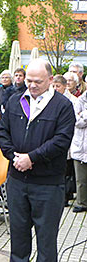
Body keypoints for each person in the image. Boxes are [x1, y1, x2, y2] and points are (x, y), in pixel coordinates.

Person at [0, 59, 75, 262]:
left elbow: (61, 140)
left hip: (48, 182)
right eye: (29, 80)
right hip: (17, 179)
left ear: (51, 80)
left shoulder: (62, 106)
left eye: (37, 81)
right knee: (18, 231)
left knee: (46, 234)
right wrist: (15, 157)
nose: (31, 85)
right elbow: (2, 132)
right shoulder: (15, 100)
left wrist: (32, 158)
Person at [55, 75, 78, 206]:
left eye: (58, 86)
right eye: (54, 86)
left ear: (64, 86)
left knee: (67, 171)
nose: (55, 88)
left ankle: (66, 196)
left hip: (70, 139)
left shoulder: (73, 101)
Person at [71, 91, 87, 213]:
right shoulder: (79, 100)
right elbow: (76, 122)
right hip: (80, 145)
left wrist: (84, 114)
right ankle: (81, 202)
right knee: (80, 178)